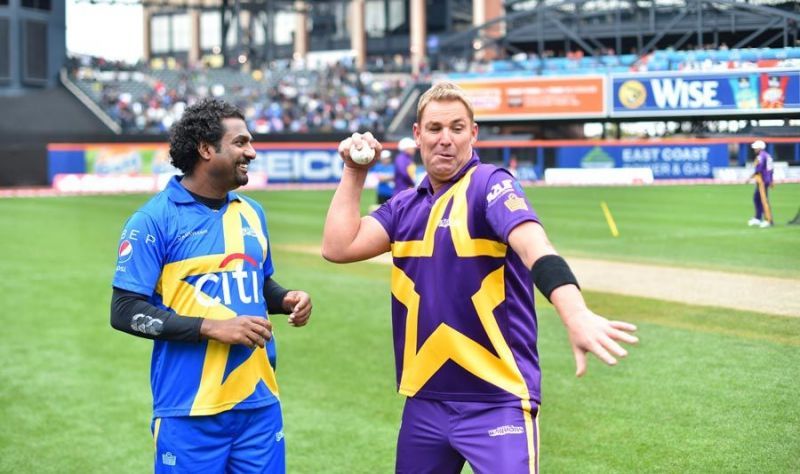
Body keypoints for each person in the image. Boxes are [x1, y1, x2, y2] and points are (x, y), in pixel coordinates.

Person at [322, 82, 638, 473]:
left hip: (498, 399)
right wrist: (354, 171)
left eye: (457, 128)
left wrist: (574, 314)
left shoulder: (491, 184)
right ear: (418, 135)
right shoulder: (404, 206)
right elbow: (338, 247)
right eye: (435, 129)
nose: (446, 140)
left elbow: (534, 246)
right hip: (425, 400)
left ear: (473, 134)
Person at [110, 98, 312, 473]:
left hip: (259, 400)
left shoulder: (253, 212)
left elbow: (256, 282)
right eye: (240, 143)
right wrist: (211, 328)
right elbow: (124, 311)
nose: (251, 152)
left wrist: (285, 299)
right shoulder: (153, 220)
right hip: (189, 407)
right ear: (206, 148)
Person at [747, 140, 774, 228]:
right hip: (762, 180)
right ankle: (758, 218)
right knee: (756, 198)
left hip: (762, 180)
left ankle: (768, 220)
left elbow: (759, 169)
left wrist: (750, 178)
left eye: (755, 147)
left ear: (760, 148)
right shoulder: (765, 155)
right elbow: (770, 169)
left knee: (763, 200)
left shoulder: (761, 156)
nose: (754, 149)